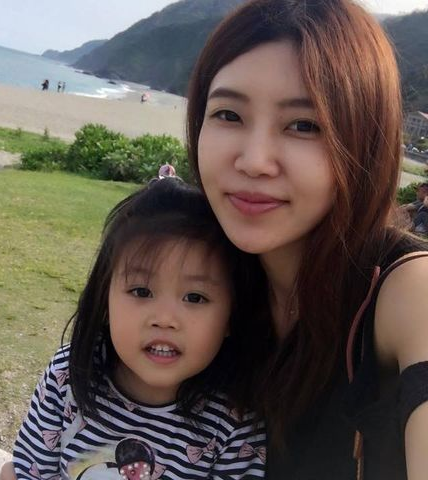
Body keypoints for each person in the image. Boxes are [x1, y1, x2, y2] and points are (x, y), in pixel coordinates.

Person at [186, 0, 428, 479]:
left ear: (365, 142)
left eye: (304, 125)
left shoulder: (406, 290)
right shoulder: (199, 271)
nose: (254, 161)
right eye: (229, 114)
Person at [4, 178, 266, 479]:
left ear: (231, 317)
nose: (165, 319)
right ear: (104, 299)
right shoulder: (68, 376)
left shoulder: (235, 421)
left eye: (195, 297)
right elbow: (30, 473)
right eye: (141, 291)